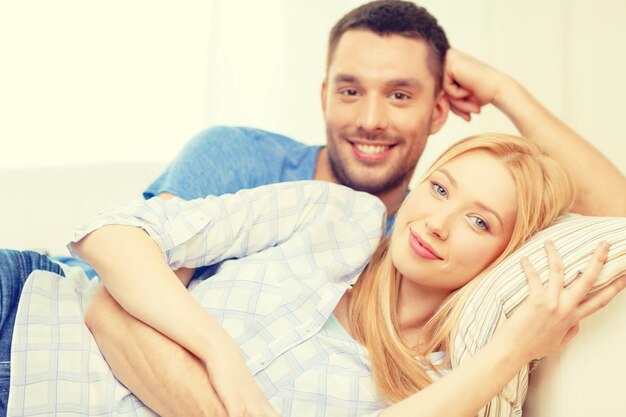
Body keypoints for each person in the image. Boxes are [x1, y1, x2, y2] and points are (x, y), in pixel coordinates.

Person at [4, 134, 623, 417]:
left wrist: (513, 350)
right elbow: (114, 236)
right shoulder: (340, 216)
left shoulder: (438, 385)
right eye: (438, 188)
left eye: (479, 222)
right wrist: (218, 353)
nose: (437, 222)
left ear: (504, 257)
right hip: (24, 312)